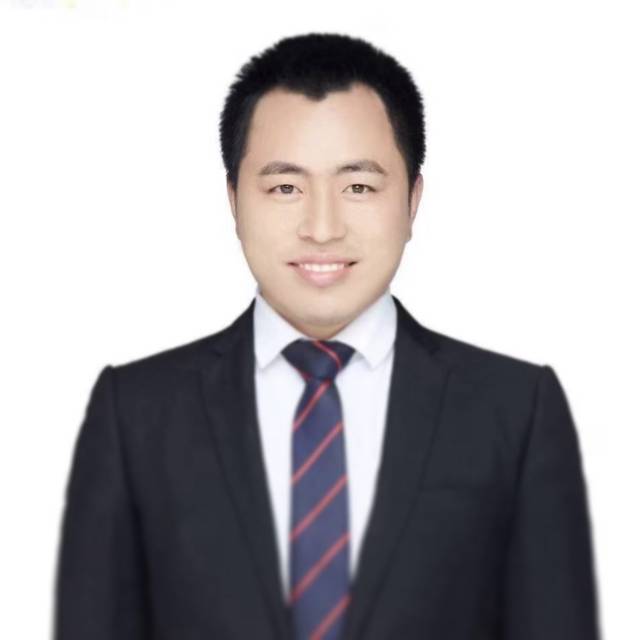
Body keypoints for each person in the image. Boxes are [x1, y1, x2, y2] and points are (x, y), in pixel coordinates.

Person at [53, 32, 601, 640]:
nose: (321, 227)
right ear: (234, 200)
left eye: (358, 186)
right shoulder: (135, 414)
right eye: (285, 187)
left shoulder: (516, 412)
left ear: (413, 200)